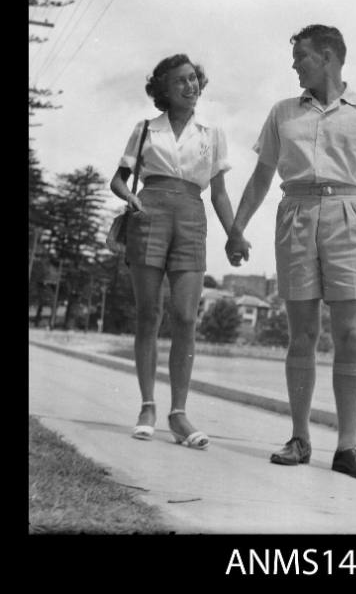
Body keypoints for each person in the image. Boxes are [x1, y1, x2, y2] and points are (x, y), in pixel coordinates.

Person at [226, 25, 356, 481]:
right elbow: (262, 176)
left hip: (349, 214)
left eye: (301, 56)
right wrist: (237, 228)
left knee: (352, 336)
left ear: (327, 56)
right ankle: (299, 438)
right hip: (296, 213)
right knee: (301, 335)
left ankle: (347, 447)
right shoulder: (282, 112)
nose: (294, 64)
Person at [110, 53, 250, 448]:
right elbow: (118, 181)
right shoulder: (145, 130)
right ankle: (148, 406)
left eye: (193, 79)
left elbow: (219, 193)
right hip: (149, 214)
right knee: (148, 314)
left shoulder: (211, 132)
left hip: (191, 217)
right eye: (180, 82)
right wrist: (132, 199)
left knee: (186, 317)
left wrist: (234, 234)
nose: (190, 86)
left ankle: (179, 414)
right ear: (164, 91)